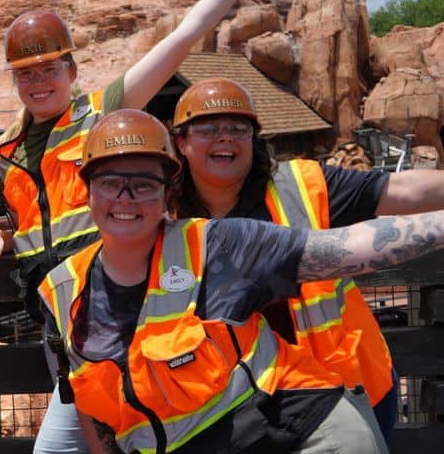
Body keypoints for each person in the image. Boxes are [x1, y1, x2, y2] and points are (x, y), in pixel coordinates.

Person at [0, 0, 316, 453]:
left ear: (71, 70)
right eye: (26, 73)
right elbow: (47, 223)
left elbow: (183, 35)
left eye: (49, 68)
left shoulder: (98, 118)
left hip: (133, 309)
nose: (39, 82)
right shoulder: (7, 157)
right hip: (68, 326)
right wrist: (5, 237)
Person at [33, 108, 424, 453]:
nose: (125, 197)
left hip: (299, 420)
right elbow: (89, 406)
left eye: (144, 185)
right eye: (109, 182)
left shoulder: (214, 243)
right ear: (86, 192)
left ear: (167, 193)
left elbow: (352, 245)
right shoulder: (62, 292)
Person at [172, 78, 444, 443]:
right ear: (181, 142)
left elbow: (404, 190)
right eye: (208, 128)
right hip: (233, 409)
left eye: (238, 128)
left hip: (346, 389)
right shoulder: (162, 216)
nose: (225, 137)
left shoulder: (301, 185)